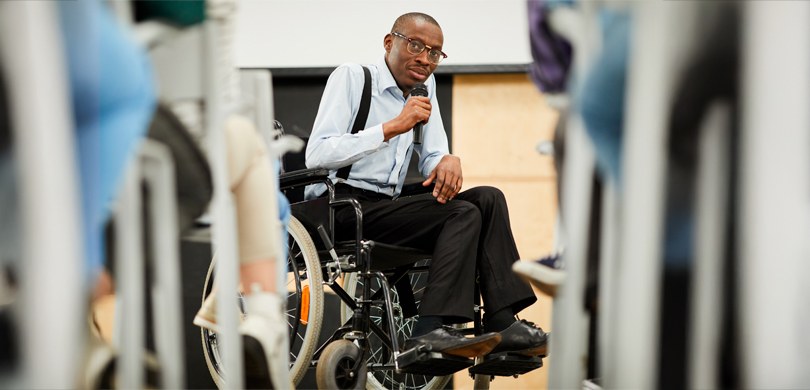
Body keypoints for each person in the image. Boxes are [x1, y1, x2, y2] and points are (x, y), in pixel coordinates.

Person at [305, 12, 547, 358]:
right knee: (462, 214)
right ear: (390, 43)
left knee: (488, 199)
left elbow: (433, 155)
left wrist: (446, 160)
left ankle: (503, 322)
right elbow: (317, 154)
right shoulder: (353, 78)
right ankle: (429, 329)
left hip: (387, 204)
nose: (425, 58)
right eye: (416, 45)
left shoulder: (424, 88)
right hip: (341, 206)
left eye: (435, 52)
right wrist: (391, 127)